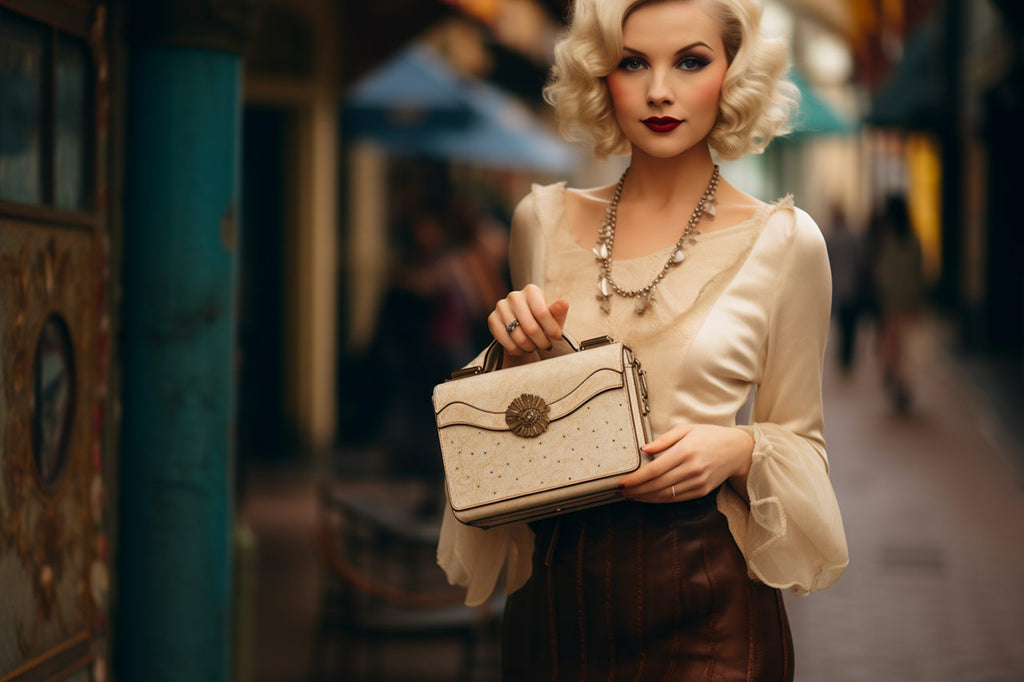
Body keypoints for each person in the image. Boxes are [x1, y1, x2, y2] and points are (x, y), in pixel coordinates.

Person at [437, 1, 848, 679]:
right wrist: (511, 357)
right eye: (633, 61)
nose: (660, 90)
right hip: (558, 590)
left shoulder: (788, 243)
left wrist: (737, 447)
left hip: (708, 590)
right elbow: (517, 440)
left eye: (691, 61)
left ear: (734, 73)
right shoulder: (537, 222)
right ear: (601, 76)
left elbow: (804, 447)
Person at [873, 194, 923, 413]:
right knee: (907, 349)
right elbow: (919, 272)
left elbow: (883, 273)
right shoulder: (913, 240)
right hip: (909, 302)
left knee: (894, 348)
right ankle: (904, 387)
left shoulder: (889, 240)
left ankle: (899, 388)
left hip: (892, 304)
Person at [825, 202, 864, 374]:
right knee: (850, 327)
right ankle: (848, 357)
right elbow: (860, 262)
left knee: (842, 325)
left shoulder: (831, 237)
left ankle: (843, 358)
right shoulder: (852, 237)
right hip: (852, 288)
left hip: (838, 288)